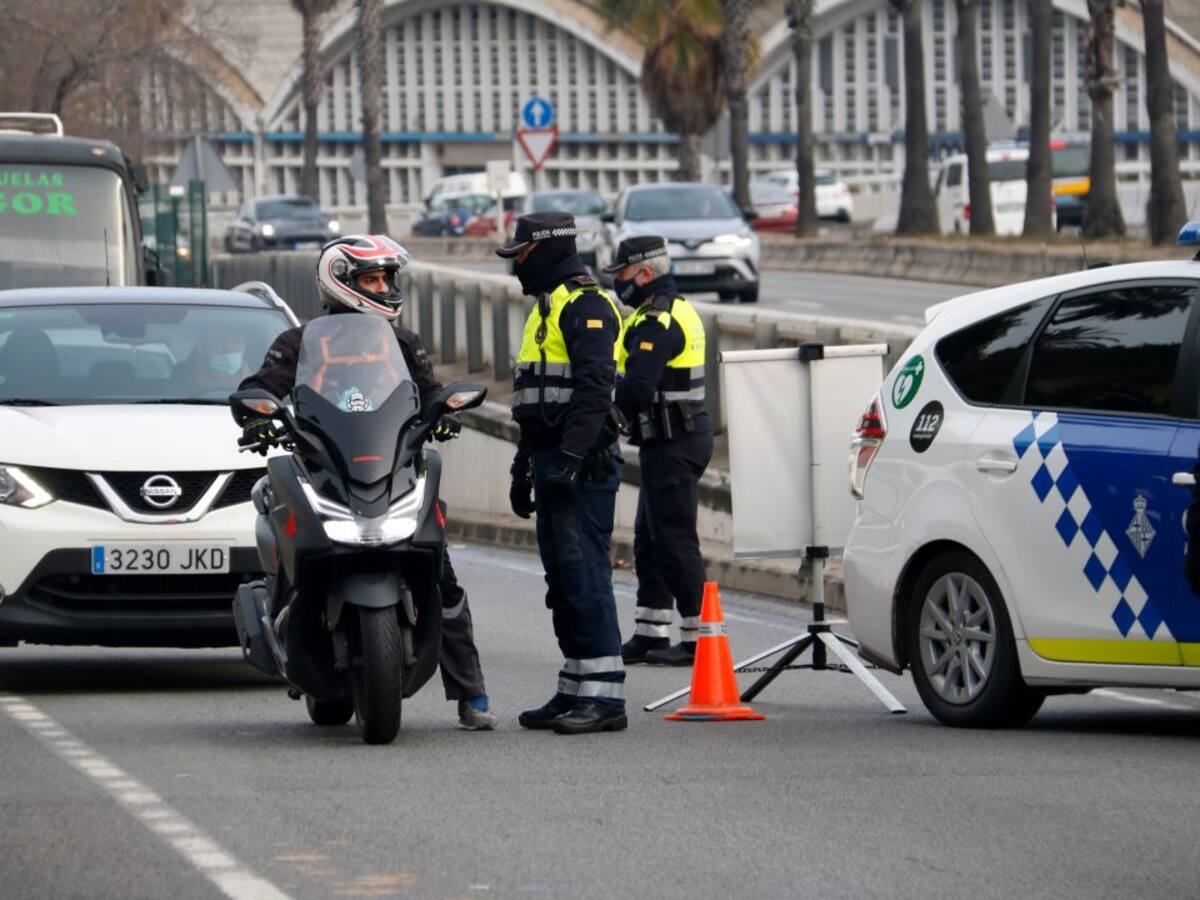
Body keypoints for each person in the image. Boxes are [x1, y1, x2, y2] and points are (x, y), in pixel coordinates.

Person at [238, 234, 496, 731]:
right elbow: (262, 385)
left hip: (392, 469)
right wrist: (255, 411)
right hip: (326, 473)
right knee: (293, 543)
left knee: (440, 574)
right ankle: (285, 624)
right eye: (373, 279)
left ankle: (472, 694)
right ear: (341, 283)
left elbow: (428, 392)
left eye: (386, 279)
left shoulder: (401, 343)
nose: (383, 288)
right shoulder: (298, 342)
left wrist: (441, 411)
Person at [500, 211, 628, 735]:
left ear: (548, 250)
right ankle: (576, 684)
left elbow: (596, 391)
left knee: (585, 575)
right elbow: (535, 398)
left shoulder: (587, 307)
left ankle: (605, 698)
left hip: (582, 465)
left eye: (522, 255)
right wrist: (521, 466)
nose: (517, 266)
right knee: (562, 580)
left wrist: (571, 460)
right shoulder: (545, 310)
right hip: (550, 460)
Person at [605, 236, 713, 667]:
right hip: (667, 440)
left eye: (624, 274)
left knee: (674, 542)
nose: (620, 283)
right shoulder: (671, 309)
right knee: (649, 541)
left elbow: (637, 386)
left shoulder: (658, 319)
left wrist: (607, 418)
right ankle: (651, 633)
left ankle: (699, 637)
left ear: (645, 273)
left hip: (674, 442)